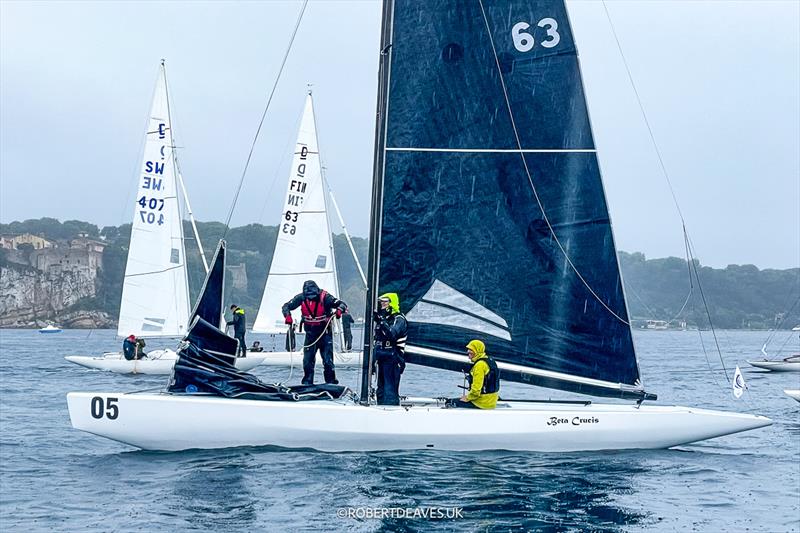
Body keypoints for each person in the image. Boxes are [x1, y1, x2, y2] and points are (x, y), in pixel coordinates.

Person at [282, 280, 347, 385]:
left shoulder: (326, 297)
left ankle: (331, 383)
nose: (311, 297)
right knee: (307, 361)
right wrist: (288, 316)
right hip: (310, 334)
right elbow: (286, 306)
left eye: (313, 295)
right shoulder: (301, 297)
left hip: (324, 333)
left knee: (328, 361)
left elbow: (342, 304)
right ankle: (307, 383)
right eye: (309, 296)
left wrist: (339, 310)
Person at [373, 293, 407, 406]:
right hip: (381, 357)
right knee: (381, 390)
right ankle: (379, 409)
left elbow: (392, 334)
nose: (382, 303)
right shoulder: (383, 318)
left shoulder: (399, 319)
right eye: (381, 301)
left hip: (393, 357)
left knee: (390, 390)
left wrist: (381, 321)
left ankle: (391, 410)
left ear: (391, 303)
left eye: (385, 301)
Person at [449, 340, 499, 409]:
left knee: (450, 402)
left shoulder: (479, 365)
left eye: (471, 353)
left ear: (477, 351)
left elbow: (476, 391)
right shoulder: (490, 361)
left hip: (482, 403)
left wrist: (467, 398)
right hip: (492, 401)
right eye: (468, 353)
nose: (469, 356)